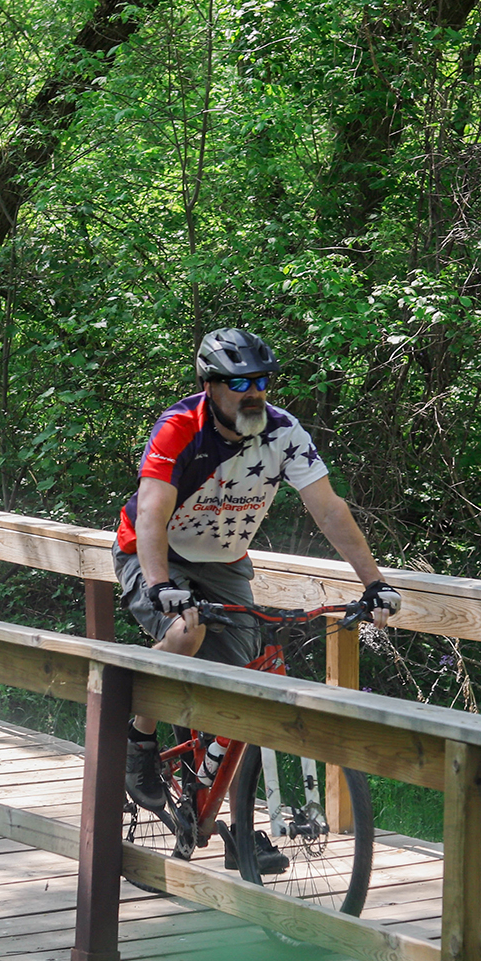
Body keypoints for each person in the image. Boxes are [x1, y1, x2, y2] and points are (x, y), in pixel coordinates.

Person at [115, 327, 402, 862]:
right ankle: (137, 740)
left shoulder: (283, 432)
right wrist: (159, 586)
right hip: (152, 553)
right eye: (241, 382)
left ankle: (230, 822)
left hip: (223, 563)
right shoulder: (181, 428)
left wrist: (374, 582)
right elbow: (152, 511)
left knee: (241, 691)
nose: (255, 392)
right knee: (187, 631)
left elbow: (328, 508)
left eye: (263, 381)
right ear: (210, 385)